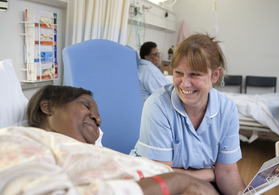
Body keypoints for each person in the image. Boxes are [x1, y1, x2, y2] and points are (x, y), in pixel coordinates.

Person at [0, 85, 219, 195]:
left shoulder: (97, 153)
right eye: (86, 105)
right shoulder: (20, 138)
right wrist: (177, 182)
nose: (98, 118)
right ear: (48, 107)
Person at [131, 33, 246, 195]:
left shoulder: (227, 109)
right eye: (178, 73)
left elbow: (227, 173)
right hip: (153, 185)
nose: (184, 84)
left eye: (195, 74)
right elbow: (162, 176)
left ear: (215, 74)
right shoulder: (158, 105)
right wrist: (210, 173)